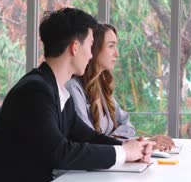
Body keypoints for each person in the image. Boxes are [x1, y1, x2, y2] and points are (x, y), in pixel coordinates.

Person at [0, 8, 154, 182]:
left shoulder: (56, 90)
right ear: (75, 47)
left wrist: (127, 147)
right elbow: (59, 152)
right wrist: (123, 154)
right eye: (91, 46)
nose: (91, 55)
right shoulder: (35, 91)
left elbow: (85, 136)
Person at [66, 23, 175, 151]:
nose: (117, 53)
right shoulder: (73, 88)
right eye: (111, 46)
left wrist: (114, 141)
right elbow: (88, 139)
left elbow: (127, 124)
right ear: (94, 48)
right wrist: (133, 143)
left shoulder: (101, 87)